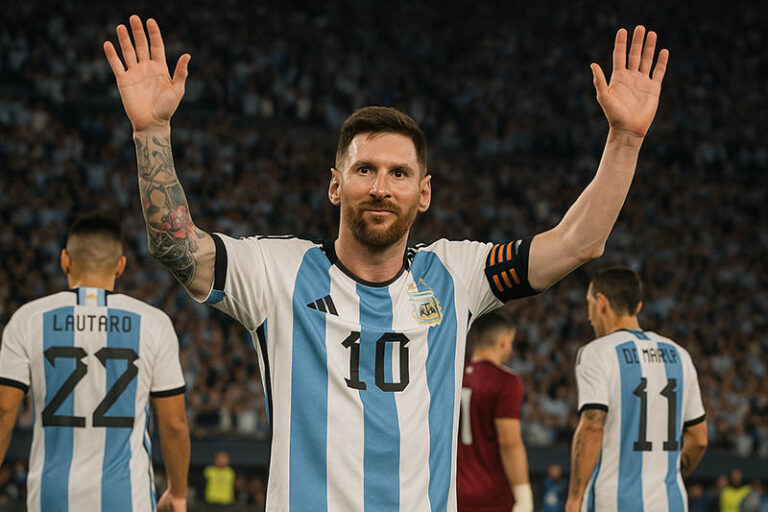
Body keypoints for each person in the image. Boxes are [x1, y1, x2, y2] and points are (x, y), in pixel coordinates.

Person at [104, 15, 669, 509]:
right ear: (335, 185)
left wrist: (624, 140)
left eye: (399, 173)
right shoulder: (278, 272)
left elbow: (576, 243)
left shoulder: (456, 275)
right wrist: (151, 132)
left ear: (424, 193)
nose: (381, 187)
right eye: (365, 170)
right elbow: (177, 246)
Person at [0, 213, 190, 512]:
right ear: (120, 265)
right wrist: (177, 492)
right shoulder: (154, 323)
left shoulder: (28, 319)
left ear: (65, 260)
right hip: (127, 497)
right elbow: (175, 424)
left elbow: (3, 411)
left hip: (51, 496)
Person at [565, 268, 708, 512]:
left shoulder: (597, 353)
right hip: (670, 501)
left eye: (589, 304)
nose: (589, 317)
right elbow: (700, 439)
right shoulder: (680, 355)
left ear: (601, 302)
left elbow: (592, 427)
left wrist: (575, 497)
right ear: (638, 306)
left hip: (613, 501)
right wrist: (667, 476)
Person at [457, 312, 532, 511]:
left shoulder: (451, 376)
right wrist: (523, 494)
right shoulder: (505, 381)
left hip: (451, 493)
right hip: (492, 494)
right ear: (503, 340)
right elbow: (510, 444)